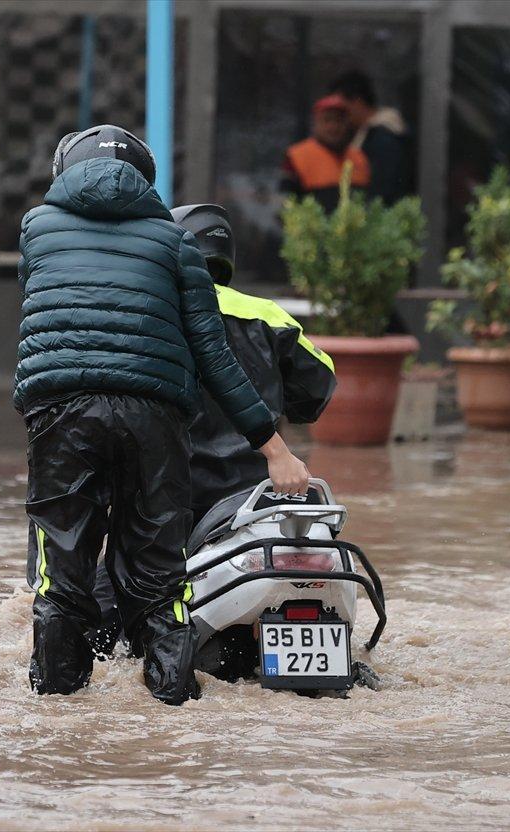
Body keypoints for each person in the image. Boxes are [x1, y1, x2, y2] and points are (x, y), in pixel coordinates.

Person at [16, 124, 311, 705]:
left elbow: (39, 325)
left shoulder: (36, 229)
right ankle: (172, 712)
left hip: (62, 417)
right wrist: (275, 448)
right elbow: (213, 354)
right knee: (160, 581)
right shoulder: (173, 243)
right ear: (147, 180)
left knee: (62, 576)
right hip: (154, 420)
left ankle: (55, 721)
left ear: (64, 173)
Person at [91, 203, 337, 655]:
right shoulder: (269, 315)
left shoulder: (152, 314)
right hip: (257, 498)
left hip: (169, 496)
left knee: (103, 620)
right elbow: (320, 382)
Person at [330, 70, 411, 204]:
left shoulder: (382, 138)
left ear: (357, 102)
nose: (340, 115)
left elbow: (383, 191)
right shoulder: (369, 134)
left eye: (342, 108)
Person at [280, 94, 371, 212]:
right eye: (327, 120)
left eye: (339, 120)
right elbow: (285, 204)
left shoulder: (359, 157)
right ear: (315, 123)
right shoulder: (296, 156)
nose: (333, 126)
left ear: (347, 124)